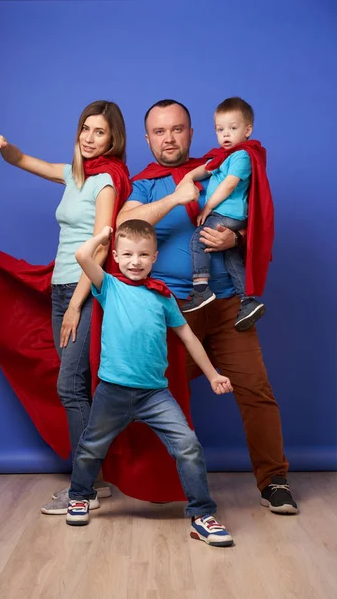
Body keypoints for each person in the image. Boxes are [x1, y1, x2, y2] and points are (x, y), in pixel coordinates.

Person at [117, 99, 298, 515]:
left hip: (228, 305)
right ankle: (155, 482)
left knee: (256, 389)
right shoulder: (143, 183)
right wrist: (178, 195)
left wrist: (237, 239)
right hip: (175, 311)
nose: (169, 138)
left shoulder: (220, 163)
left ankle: (275, 482)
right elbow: (127, 223)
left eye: (177, 129)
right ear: (147, 139)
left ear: (191, 132)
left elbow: (255, 214)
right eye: (160, 132)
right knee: (151, 396)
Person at [0, 100, 131, 515]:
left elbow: (101, 247)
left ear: (113, 138)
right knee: (75, 385)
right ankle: (94, 483)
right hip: (60, 288)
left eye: (99, 132)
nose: (89, 138)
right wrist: (4, 147)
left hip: (85, 290)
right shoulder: (74, 175)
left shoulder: (106, 181)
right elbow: (25, 161)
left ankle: (82, 489)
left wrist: (77, 305)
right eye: (85, 129)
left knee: (70, 386)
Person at [66, 219, 234, 548]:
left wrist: (213, 374)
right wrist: (102, 236)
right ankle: (79, 495)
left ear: (154, 258)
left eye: (143, 255)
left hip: (154, 394)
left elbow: (189, 339)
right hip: (112, 391)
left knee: (187, 445)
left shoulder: (163, 298)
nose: (135, 261)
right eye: (127, 254)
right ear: (114, 256)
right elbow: (82, 255)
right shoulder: (108, 287)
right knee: (91, 448)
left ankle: (202, 515)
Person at [180, 97, 269, 333]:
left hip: (228, 214)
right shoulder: (224, 155)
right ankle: (248, 301)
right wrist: (189, 177)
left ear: (247, 130)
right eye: (220, 129)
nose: (226, 134)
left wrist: (207, 207)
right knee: (231, 259)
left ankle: (201, 289)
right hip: (229, 216)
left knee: (198, 240)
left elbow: (229, 185)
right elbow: (206, 168)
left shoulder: (242, 156)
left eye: (233, 128)